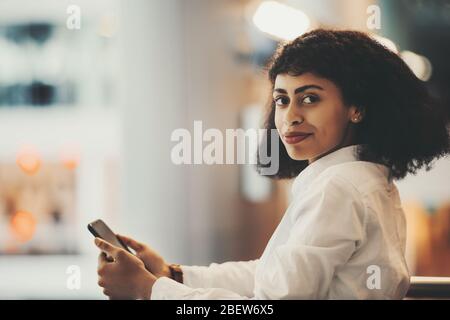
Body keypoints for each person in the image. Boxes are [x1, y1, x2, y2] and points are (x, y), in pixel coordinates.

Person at [94, 29, 450, 299]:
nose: (290, 117)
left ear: (356, 107)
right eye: (281, 100)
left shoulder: (338, 188)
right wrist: (172, 275)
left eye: (310, 98)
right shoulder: (365, 178)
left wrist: (149, 290)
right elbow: (274, 278)